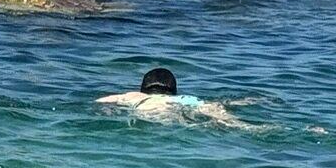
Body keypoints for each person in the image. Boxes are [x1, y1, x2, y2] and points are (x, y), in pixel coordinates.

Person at [97, 67, 254, 128]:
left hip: (142, 113)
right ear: (174, 90)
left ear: (142, 88)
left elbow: (102, 101)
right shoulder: (184, 99)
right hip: (171, 114)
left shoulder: (132, 96)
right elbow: (210, 106)